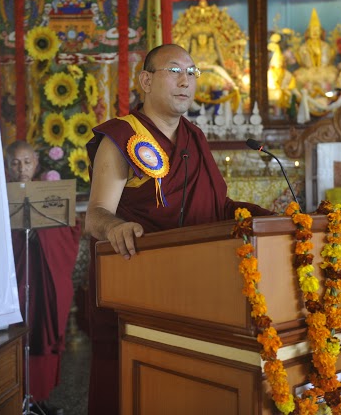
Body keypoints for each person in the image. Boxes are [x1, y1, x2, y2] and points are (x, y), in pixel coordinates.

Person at [84, 43, 274, 415]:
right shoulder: (121, 137)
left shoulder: (195, 138)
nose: (186, 81)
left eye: (192, 72)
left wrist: (268, 217)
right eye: (174, 71)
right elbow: (96, 214)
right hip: (140, 286)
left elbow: (216, 209)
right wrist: (116, 226)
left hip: (197, 287)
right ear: (146, 80)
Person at [5, 140, 81, 414]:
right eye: (15, 162)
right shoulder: (1, 195)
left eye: (27, 162)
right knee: (17, 332)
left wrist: (44, 233)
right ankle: (15, 396)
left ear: (36, 163)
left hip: (44, 278)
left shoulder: (51, 194)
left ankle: (40, 398)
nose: (22, 168)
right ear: (7, 165)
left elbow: (70, 230)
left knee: (42, 330)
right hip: (17, 278)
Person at [293, 8, 338, 122]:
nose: (314, 32)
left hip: (323, 72)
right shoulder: (303, 48)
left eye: (317, 30)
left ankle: (326, 105)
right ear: (308, 32)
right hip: (308, 73)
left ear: (321, 31)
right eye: (312, 29)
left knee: (328, 81)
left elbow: (327, 60)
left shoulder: (326, 46)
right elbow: (304, 61)